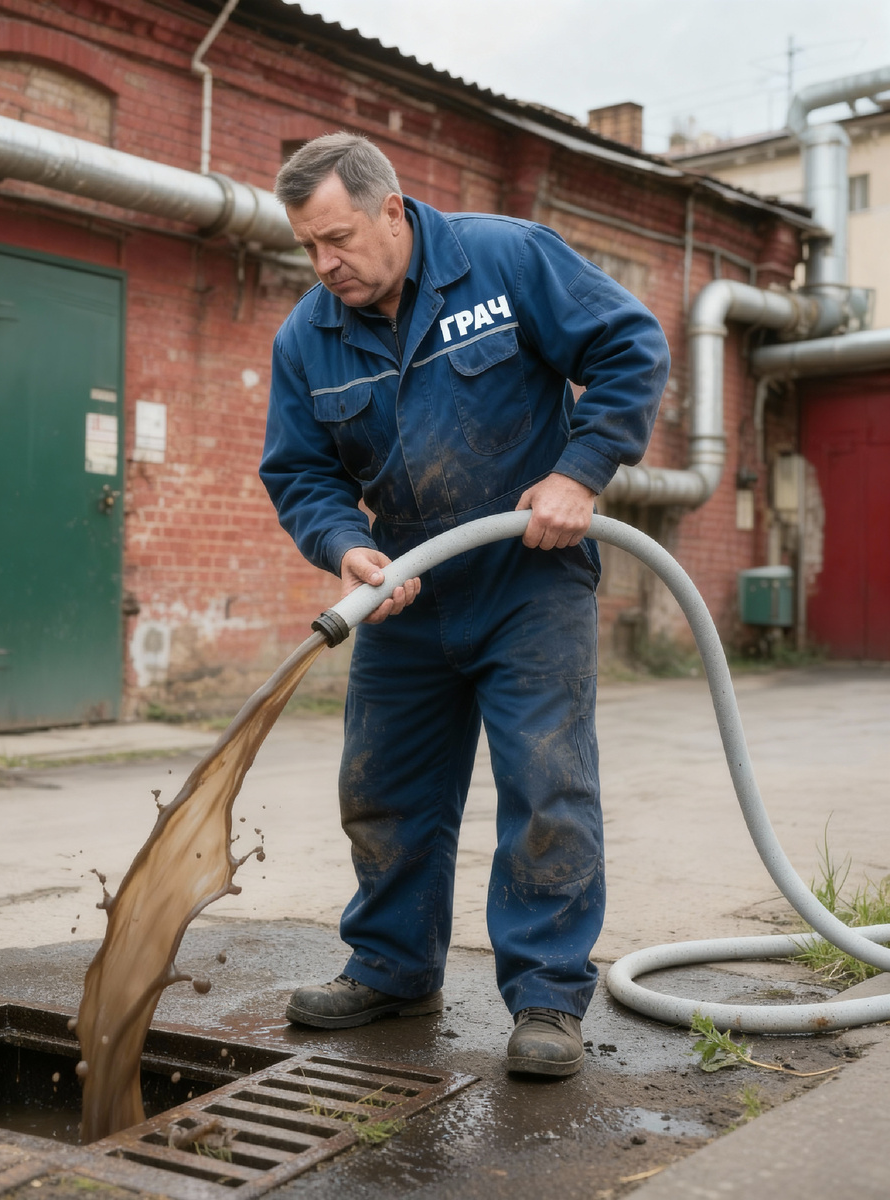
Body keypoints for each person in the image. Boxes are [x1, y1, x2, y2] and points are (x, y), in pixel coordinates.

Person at [259, 133, 670, 1077]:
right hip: (406, 588)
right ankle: (394, 968)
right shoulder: (308, 335)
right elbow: (299, 472)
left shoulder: (505, 258)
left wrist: (580, 472)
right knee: (383, 787)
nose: (325, 265)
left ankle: (546, 1000)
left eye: (338, 238)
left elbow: (628, 344)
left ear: (392, 210)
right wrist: (344, 547)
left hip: (529, 576)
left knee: (545, 784)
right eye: (307, 247)